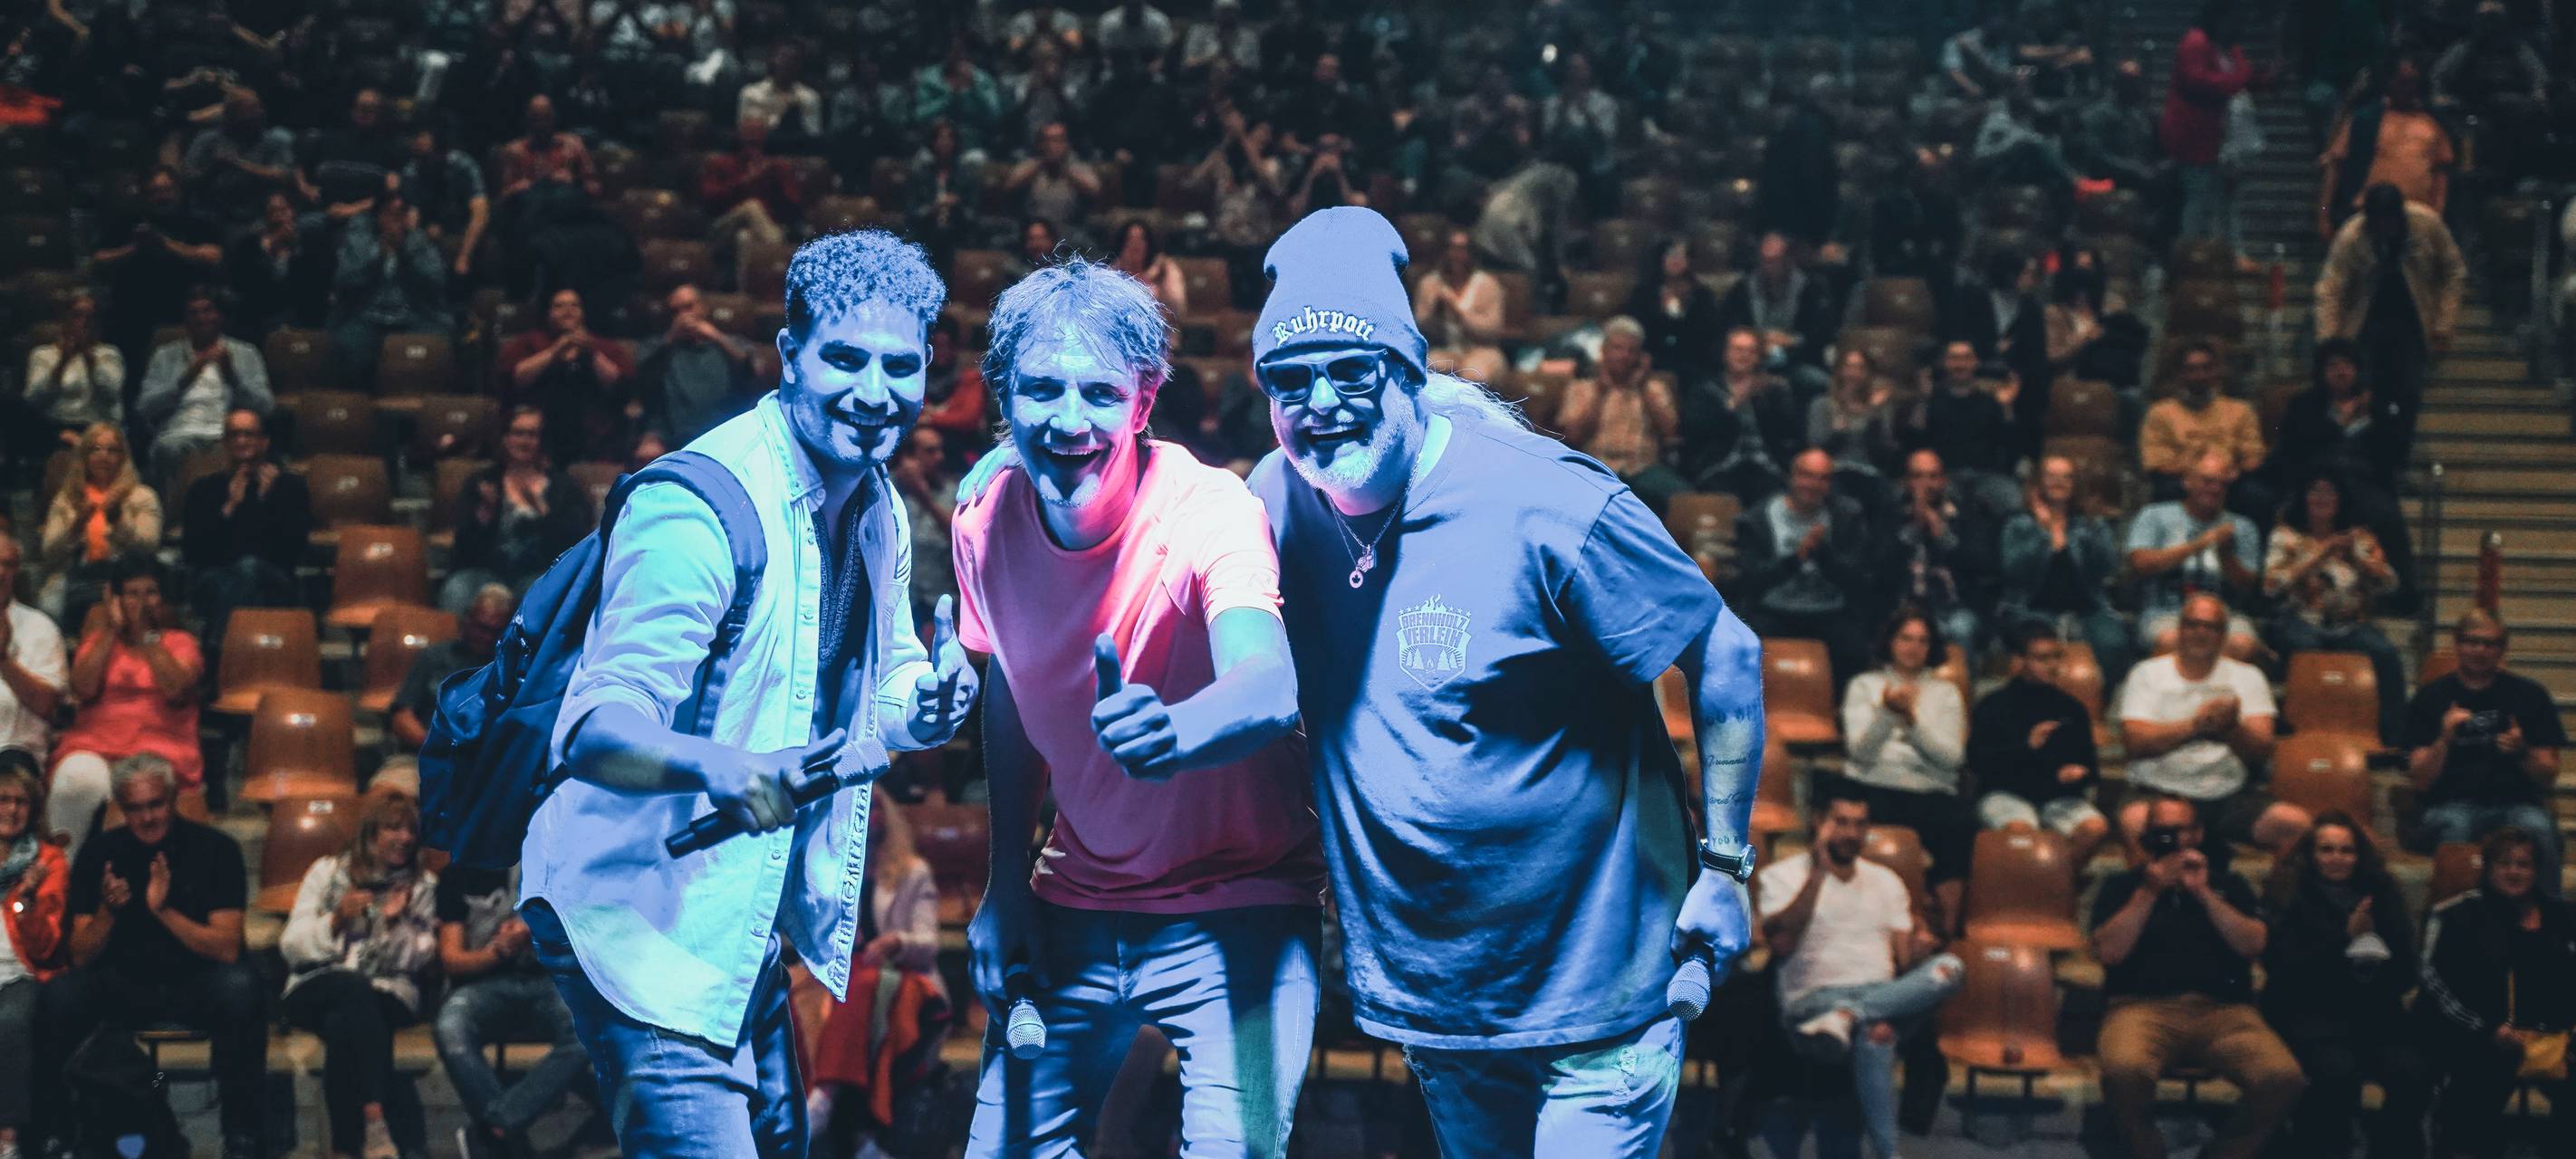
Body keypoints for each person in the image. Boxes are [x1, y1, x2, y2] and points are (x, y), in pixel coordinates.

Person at [1243, 207, 1762, 1155]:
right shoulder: (1274, 501)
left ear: (1410, 373)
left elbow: (1724, 652)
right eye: (1289, 379)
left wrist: (1727, 867)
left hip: (1601, 990)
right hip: (1441, 998)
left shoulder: (1548, 501)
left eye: (1351, 371)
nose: (1319, 401)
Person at [524, 229, 976, 1155]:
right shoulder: (699, 503)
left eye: (898, 366)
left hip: (738, 920)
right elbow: (594, 725)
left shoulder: (880, 500)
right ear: (787, 356)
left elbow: (882, 682)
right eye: (843, 359)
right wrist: (722, 764)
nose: (873, 391)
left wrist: (924, 699)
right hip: (637, 911)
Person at [951, 257, 1321, 1156]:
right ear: (1003, 398)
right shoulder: (981, 518)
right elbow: (1009, 685)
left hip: (1243, 914)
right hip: (1073, 909)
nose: (1068, 421)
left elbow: (1268, 683)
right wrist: (1005, 883)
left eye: (1099, 394)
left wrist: (1178, 731)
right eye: (1040, 390)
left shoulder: (1211, 510)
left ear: (1144, 402)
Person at [34, 754, 264, 1159]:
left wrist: (163, 911)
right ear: (121, 808)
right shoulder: (98, 854)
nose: (147, 818)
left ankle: (242, 1134)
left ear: (172, 799)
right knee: (59, 995)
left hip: (195, 980)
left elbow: (227, 949)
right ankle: (57, 1132)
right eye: (135, 808)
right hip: (124, 983)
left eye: (155, 804)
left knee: (242, 987)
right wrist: (108, 912)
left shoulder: (216, 849)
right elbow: (80, 956)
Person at [2091, 792, 2306, 1159]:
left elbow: (2253, 945)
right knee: (2123, 1071)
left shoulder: (2230, 884)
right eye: (2163, 831)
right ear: (2148, 836)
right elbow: (2110, 952)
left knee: (2282, 1077)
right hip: (2141, 1010)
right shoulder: (2123, 886)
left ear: (2199, 833)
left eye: (2183, 830)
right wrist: (2150, 891)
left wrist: (2205, 893)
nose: (2175, 839)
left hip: (2225, 1013)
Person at [1754, 790, 1965, 1159]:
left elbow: (1904, 963)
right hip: (1812, 1007)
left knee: (1951, 970)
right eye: (1841, 822)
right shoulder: (1782, 877)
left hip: (1878, 996)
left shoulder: (1887, 881)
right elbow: (1782, 945)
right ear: (1818, 823)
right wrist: (1818, 874)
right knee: (1877, 1034)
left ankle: (1852, 1016)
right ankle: (1888, 1152)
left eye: (1860, 824)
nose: (1851, 833)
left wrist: (1920, 948)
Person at [278, 792, 443, 1159]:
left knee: (345, 1024)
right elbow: (291, 945)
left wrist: (390, 923)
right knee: (352, 990)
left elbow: (419, 957)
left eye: (411, 830)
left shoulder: (422, 886)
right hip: (317, 985)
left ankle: (344, 1149)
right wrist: (336, 919)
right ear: (369, 833)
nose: (405, 838)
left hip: (388, 993)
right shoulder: (327, 872)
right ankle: (376, 1119)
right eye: (393, 828)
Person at [2261, 813, 2430, 1158]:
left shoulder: (2382, 894)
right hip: (2310, 1017)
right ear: (2311, 854)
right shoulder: (2291, 895)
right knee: (2336, 1073)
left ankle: (2387, 1145)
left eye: (2346, 850)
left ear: (2359, 855)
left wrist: (2372, 945)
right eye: (2326, 850)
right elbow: (2287, 971)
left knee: (2413, 1073)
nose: (2337, 858)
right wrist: (2346, 938)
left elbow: (2405, 974)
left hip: (2374, 1016)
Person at [803, 791, 948, 1159]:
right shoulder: (835, 869)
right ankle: (843, 1128)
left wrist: (894, 941)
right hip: (845, 969)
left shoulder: (913, 872)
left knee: (864, 986)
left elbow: (929, 942)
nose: (869, 816)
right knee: (792, 990)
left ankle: (826, 1097)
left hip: (903, 974)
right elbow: (812, 932)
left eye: (876, 808)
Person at [2417, 826, 2576, 1157]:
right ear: (2487, 868)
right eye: (2504, 863)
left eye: (2523, 864)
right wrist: (2487, 1028)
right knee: (2477, 1097)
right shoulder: (2455, 915)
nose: (2514, 872)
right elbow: (2433, 983)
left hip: (2557, 1039)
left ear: (2537, 870)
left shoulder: (2563, 916)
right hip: (2482, 1035)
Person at [2116, 593, 2308, 853]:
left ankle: (2275, 895)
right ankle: (2149, 892)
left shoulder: (2249, 677)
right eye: (2192, 625)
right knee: (2134, 820)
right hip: (2159, 792)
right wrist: (2197, 726)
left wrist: (2231, 728)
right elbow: (2135, 743)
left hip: (2228, 795)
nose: (2200, 633)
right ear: (2179, 629)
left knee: (2297, 825)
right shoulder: (2147, 673)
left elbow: (2261, 752)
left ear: (2224, 635)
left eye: (2211, 627)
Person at [47, 555, 204, 867]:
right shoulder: (99, 641)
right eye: (132, 594)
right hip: (97, 746)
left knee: (138, 792)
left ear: (163, 599)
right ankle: (61, 873)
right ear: (116, 600)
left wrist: (147, 637)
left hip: (159, 751)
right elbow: (83, 688)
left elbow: (176, 688)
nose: (142, 602)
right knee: (74, 779)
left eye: (151, 593)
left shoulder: (180, 643)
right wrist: (111, 632)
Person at [436, 853, 590, 1159]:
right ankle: (511, 1143)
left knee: (588, 1024)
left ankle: (497, 1127)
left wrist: (536, 933)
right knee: (449, 1027)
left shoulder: (549, 862)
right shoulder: (458, 873)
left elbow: (586, 936)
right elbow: (453, 960)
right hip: (484, 984)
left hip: (550, 981)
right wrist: (499, 951)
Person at [1831, 608, 1974, 936]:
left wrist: (1911, 721)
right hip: (1872, 785)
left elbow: (1951, 758)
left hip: (1929, 791)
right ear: (1891, 642)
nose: (1914, 647)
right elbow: (1861, 753)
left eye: (1923, 640)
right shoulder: (1865, 686)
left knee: (1960, 825)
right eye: (1906, 638)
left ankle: (1947, 929)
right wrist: (1886, 714)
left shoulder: (1946, 693)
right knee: (1842, 810)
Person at [2404, 610, 2568, 894]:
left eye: (2490, 644)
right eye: (2472, 642)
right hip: (2450, 804)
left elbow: (2548, 776)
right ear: (2457, 644)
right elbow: (2420, 780)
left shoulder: (2530, 696)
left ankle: (2550, 925)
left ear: (2502, 649)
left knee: (2539, 829)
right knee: (2456, 827)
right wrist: (2444, 739)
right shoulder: (2431, 698)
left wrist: (2522, 751)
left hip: (2515, 804)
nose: (2480, 650)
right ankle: (2453, 923)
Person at [2313, 182, 2465, 462]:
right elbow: (2331, 289)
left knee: (2408, 395)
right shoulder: (2352, 236)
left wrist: (2444, 322)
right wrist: (2329, 341)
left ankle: (2398, 461)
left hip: (2413, 323)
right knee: (2366, 394)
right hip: (2366, 325)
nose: (2384, 226)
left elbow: (2453, 271)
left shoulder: (2426, 224)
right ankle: (2366, 460)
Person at [2264, 474, 2404, 742]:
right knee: (2307, 649)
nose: (2322, 499)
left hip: (2350, 624)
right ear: (2303, 498)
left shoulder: (2360, 538)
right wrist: (2321, 553)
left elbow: (2390, 584)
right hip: (2299, 620)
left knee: (2384, 653)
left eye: (2330, 493)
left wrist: (2356, 558)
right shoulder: (2286, 536)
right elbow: (2271, 586)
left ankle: (2391, 739)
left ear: (2341, 500)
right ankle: (2304, 733)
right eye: (2315, 491)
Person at [179, 407, 311, 676]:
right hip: (214, 581)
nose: (241, 441)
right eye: (234, 435)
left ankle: (218, 651)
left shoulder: (289, 488)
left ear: (264, 441)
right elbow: (194, 551)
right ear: (225, 443)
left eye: (248, 434)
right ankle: (243, 661)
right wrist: (229, 507)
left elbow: (292, 550)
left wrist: (266, 501)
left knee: (248, 568)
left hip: (275, 581)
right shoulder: (205, 489)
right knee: (240, 574)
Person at [1970, 619, 2112, 864]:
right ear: (2019, 661)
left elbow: (2091, 768)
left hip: (2058, 797)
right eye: (2042, 658)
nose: (2052, 665)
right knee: (2022, 832)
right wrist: (2027, 748)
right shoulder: (1993, 706)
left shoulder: (2071, 707)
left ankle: (2054, 885)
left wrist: (2077, 775)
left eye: (2056, 657)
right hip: (2006, 794)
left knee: (2094, 828)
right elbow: (1980, 765)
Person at [1731, 447, 1875, 683]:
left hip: (1829, 610)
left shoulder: (1846, 517)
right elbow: (1750, 579)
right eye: (1807, 476)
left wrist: (1823, 555)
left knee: (1854, 649)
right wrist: (1795, 559)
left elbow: (1858, 578)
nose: (1814, 485)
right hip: (1774, 608)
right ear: (1792, 477)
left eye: (1823, 478)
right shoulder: (1758, 518)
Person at [442, 407, 595, 613]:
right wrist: (484, 516)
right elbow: (464, 547)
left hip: (539, 572)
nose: (524, 441)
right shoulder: (483, 482)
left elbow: (573, 544)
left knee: (547, 592)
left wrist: (542, 512)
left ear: (541, 440)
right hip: (487, 571)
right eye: (518, 433)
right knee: (458, 589)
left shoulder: (563, 487)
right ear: (505, 438)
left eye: (532, 434)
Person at [2000, 454, 2134, 682]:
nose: (2058, 482)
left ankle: (2100, 704)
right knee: (2034, 649)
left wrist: (2092, 531)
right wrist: (2044, 532)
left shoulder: (2091, 522)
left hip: (2088, 608)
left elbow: (2108, 567)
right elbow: (2012, 569)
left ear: (2075, 484)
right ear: (2039, 482)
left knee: (2114, 643)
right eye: (2051, 476)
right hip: (2032, 607)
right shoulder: (2019, 524)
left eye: (2066, 477)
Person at [2126, 452, 2264, 658]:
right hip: (2167, 612)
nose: (2215, 489)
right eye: (2207, 481)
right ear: (2187, 482)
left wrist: (2226, 556)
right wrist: (2196, 546)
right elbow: (2139, 564)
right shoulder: (2154, 515)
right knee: (2171, 641)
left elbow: (2248, 585)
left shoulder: (2242, 526)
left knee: (2242, 644)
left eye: (2222, 484)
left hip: (2225, 614)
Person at [0, 753, 68, 1159]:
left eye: (20, 801)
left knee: (9, 1020)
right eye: (2, 799)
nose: (11, 809)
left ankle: (6, 1140)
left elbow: (46, 947)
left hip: (17, 974)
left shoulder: (47, 861)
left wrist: (26, 899)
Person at [34, 424, 160, 627]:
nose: (104, 457)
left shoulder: (142, 496)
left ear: (122, 456)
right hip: (75, 574)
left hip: (126, 575)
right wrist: (76, 526)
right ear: (85, 456)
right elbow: (48, 551)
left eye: (112, 450)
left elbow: (148, 547)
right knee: (49, 604)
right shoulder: (66, 499)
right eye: (96, 449)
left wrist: (119, 521)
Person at [1554, 317, 1684, 512]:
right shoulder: (1581, 388)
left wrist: (1643, 387)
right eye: (1617, 348)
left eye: (1631, 351)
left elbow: (1671, 433)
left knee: (1684, 500)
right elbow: (1573, 437)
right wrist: (1601, 392)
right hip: (1597, 467)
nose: (1624, 356)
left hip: (1644, 468)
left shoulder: (1654, 388)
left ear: (1640, 357)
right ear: (1603, 350)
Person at [496, 289, 636, 465]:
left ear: (583, 312)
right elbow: (515, 378)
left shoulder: (604, 347)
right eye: (559, 306)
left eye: (574, 305)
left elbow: (619, 385)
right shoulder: (529, 342)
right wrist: (555, 351)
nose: (567, 311)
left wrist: (591, 353)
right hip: (540, 434)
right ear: (548, 313)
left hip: (592, 438)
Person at [2160, 1, 2258, 254]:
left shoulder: (2228, 47)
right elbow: (2199, 80)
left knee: (2223, 199)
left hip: (2220, 138)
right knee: (2197, 199)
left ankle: (2226, 255)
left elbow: (2242, 76)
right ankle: (2187, 258)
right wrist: (2241, 79)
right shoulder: (2197, 41)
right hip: (2194, 135)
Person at [328, 192, 451, 390]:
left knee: (439, 341)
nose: (395, 220)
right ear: (379, 217)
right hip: (368, 316)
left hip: (412, 317)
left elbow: (436, 282)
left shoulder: (419, 242)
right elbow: (345, 280)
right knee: (346, 345)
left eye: (400, 214)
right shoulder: (361, 242)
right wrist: (378, 258)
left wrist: (405, 253)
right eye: (389, 213)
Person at [2318, 56, 2453, 235]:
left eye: (2413, 82)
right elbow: (2334, 168)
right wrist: (2324, 216)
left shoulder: (2432, 122)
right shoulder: (2364, 119)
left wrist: (2437, 216)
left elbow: (2441, 173)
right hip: (2367, 216)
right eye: (2404, 82)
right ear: (2390, 82)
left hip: (2418, 219)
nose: (2410, 89)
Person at [1881, 449, 1994, 656]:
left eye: (1933, 476)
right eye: (1918, 476)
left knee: (1962, 629)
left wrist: (1943, 537)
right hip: (1903, 605)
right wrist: (1913, 529)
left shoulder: (1968, 515)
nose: (1927, 484)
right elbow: (1880, 568)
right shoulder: (1890, 515)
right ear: (1906, 481)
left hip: (1954, 606)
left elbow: (1982, 565)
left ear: (1944, 480)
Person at [1904, 339, 2025, 520]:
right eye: (1954, 358)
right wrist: (1923, 401)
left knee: (2014, 501)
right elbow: (1914, 441)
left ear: (1975, 363)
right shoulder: (1932, 399)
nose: (1960, 364)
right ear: (1945, 363)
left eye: (1965, 358)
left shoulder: (1990, 401)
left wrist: (2006, 408)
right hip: (1945, 476)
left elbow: (2010, 445)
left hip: (1986, 474)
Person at [1681, 328, 1804, 504]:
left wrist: (1776, 400)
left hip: (1767, 466)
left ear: (1759, 357)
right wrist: (1732, 406)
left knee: (1773, 496)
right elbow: (1696, 429)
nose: (1743, 356)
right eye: (1738, 350)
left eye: (1750, 351)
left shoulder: (1773, 389)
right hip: (1719, 466)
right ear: (1725, 354)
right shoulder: (1705, 389)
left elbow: (1790, 431)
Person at [389, 585, 513, 755]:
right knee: (387, 783)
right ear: (467, 619)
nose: (487, 637)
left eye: (495, 631)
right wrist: (434, 746)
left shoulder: (509, 669)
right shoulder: (432, 656)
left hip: (483, 763)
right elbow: (401, 716)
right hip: (423, 754)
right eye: (481, 628)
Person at [2139, 340, 2267, 505]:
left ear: (2217, 371)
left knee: (2259, 495)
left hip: (2229, 481)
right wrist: (2202, 476)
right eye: (2192, 370)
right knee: (2166, 491)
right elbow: (2158, 464)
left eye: (2207, 369)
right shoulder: (2160, 413)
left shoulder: (2240, 410)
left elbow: (2253, 458)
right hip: (2183, 481)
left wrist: (2225, 474)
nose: (2200, 376)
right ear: (2179, 373)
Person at [636, 284, 759, 447]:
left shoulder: (732, 343)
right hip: (671, 433)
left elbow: (753, 371)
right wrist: (671, 337)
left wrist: (716, 336)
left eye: (689, 307)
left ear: (703, 308)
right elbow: (643, 378)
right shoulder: (657, 346)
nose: (683, 316)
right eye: (676, 312)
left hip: (723, 429)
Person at [1715, 231, 1837, 392]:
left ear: (1788, 260)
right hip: (1751, 360)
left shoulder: (1811, 288)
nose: (1769, 267)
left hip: (1796, 361)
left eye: (1775, 261)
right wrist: (1759, 340)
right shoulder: (1743, 288)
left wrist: (1791, 340)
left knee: (1819, 382)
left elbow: (1822, 333)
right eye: (1765, 261)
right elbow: (1728, 326)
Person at [698, 117, 803, 288]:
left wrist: (776, 180)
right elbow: (708, 199)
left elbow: (795, 206)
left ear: (765, 135)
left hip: (766, 227)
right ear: (739, 134)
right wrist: (744, 183)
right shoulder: (720, 163)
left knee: (744, 238)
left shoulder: (778, 166)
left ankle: (745, 294)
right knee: (752, 207)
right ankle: (778, 253)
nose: (752, 137)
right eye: (748, 131)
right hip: (722, 228)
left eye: (757, 132)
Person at [20, 293, 123, 448]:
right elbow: (33, 399)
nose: (84, 323)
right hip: (55, 427)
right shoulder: (42, 355)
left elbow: (112, 395)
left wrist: (89, 359)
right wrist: (62, 363)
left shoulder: (109, 354)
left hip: (98, 428)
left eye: (90, 318)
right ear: (64, 320)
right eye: (77, 316)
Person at [0, 542, 64, 778]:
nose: (0, 573)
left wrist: (3, 659)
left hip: (14, 759)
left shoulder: (41, 628)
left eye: (7, 564)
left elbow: (47, 706)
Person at [1411, 227, 1508, 383]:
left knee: (1474, 373)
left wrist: (1458, 313)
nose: (1456, 256)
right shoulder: (1429, 284)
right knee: (1429, 367)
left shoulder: (1487, 285)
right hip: (1444, 348)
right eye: (1452, 249)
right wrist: (1436, 313)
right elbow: (1420, 328)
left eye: (1462, 250)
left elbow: (1491, 330)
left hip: (1482, 350)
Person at [1628, 238, 1722, 390]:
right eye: (1671, 255)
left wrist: (1679, 314)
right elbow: (1636, 327)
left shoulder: (1701, 295)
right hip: (1652, 356)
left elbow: (1706, 334)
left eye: (1681, 256)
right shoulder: (1644, 292)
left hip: (1690, 359)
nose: (1675, 261)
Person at [1809, 347, 1902, 485]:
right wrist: (1837, 434)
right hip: (1831, 473)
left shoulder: (1879, 407)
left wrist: (1873, 414)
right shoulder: (1822, 404)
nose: (1854, 373)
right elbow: (1814, 448)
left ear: (1869, 373)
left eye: (1860, 368)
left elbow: (1885, 453)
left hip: (1870, 475)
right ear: (1840, 371)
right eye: (1849, 367)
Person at [1108, 218, 1188, 318]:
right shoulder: (1112, 273)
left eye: (1141, 239)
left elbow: (1178, 310)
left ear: (1149, 244)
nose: (1135, 244)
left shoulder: (1165, 269)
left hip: (1161, 329)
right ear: (1122, 244)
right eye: (1130, 238)